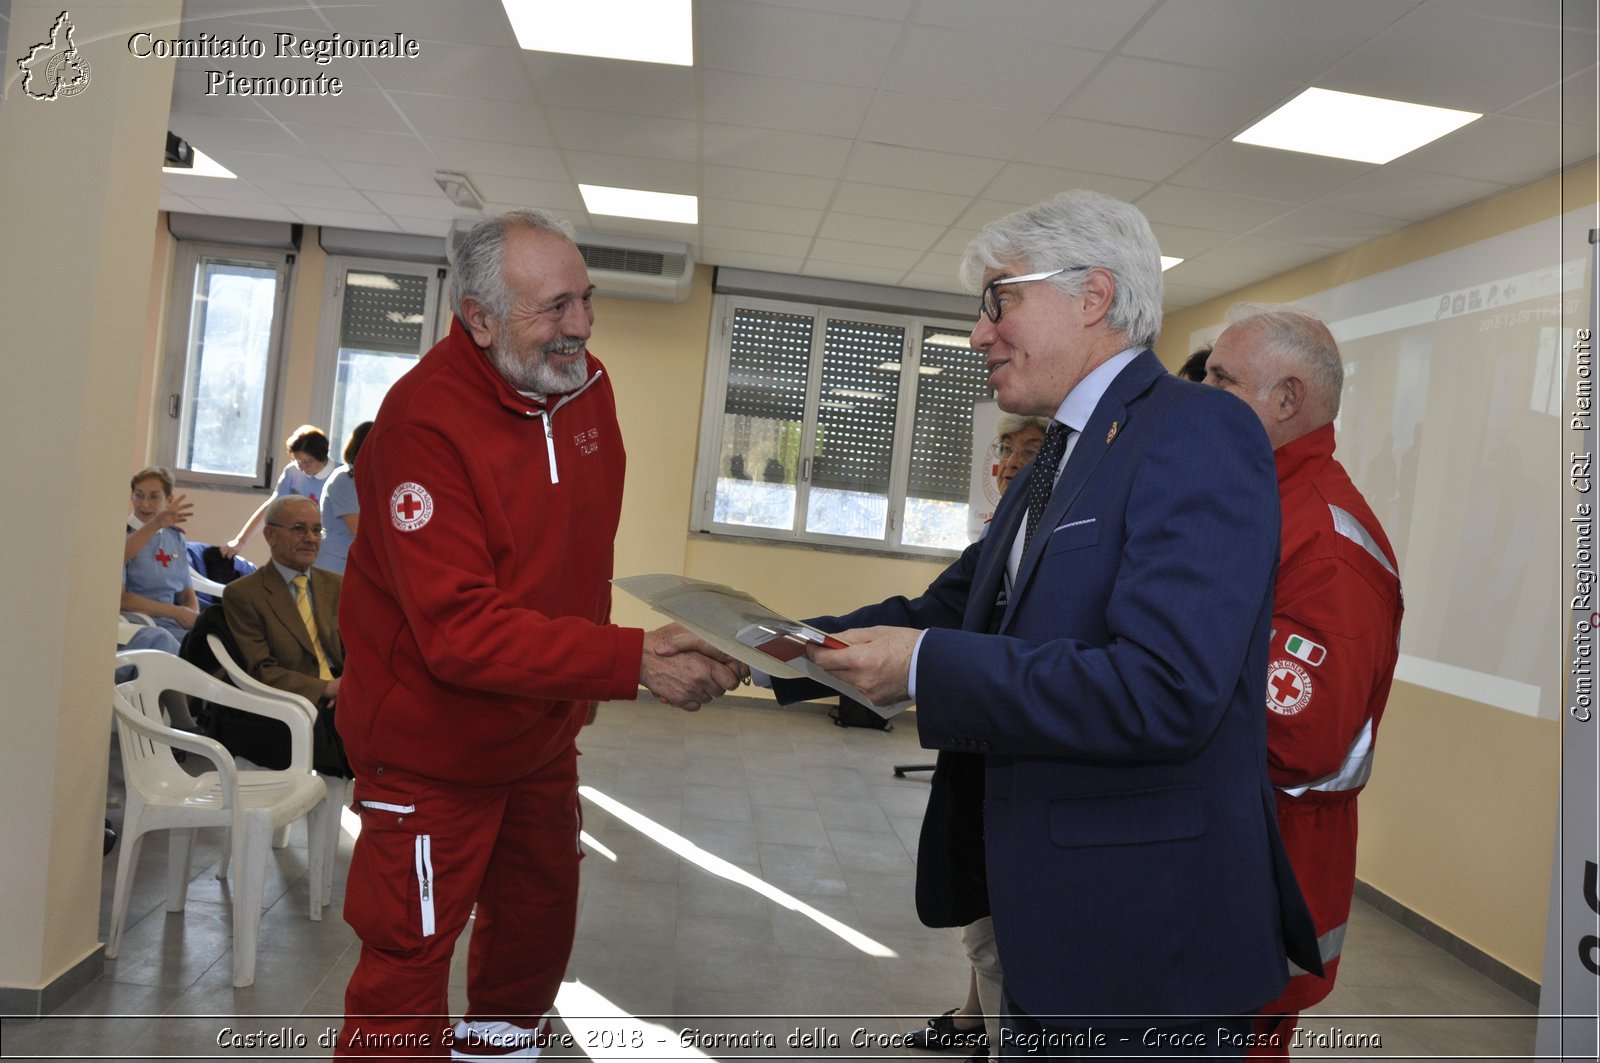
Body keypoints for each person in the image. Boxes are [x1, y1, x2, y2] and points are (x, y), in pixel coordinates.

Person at [770, 190, 1320, 1058]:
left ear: (1093, 296)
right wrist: (764, 645)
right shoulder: (1060, 450)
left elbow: (1165, 690)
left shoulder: (1197, 431)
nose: (982, 331)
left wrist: (924, 668)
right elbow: (951, 610)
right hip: (1044, 919)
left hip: (1142, 943)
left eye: (1001, 299)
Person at [334, 208, 739, 1060]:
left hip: (542, 738)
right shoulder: (421, 425)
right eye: (555, 307)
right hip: (430, 754)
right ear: (479, 317)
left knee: (531, 940)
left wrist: (593, 682)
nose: (582, 326)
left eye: (585, 300)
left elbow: (578, 561)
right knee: (407, 968)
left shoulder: (587, 387)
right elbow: (460, 633)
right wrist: (633, 661)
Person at [1201, 306, 1404, 1058]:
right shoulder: (1254, 499)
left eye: (1222, 379)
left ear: (1287, 400)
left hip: (1258, 889)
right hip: (1221, 873)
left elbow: (1297, 737)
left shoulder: (1324, 542)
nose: (1203, 392)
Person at [906, 411, 1050, 1063]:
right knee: (985, 931)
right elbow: (919, 616)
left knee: (1004, 944)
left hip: (1031, 777)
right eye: (1006, 449)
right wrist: (782, 653)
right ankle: (978, 1026)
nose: (1014, 460)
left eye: (1032, 448)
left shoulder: (1071, 545)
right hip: (979, 771)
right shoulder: (998, 537)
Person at [220, 494, 348, 774]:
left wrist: (351, 684)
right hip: (288, 704)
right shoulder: (244, 594)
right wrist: (325, 688)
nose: (311, 538)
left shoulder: (336, 585)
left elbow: (359, 648)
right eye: (299, 528)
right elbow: (260, 669)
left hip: (345, 694)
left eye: (317, 530)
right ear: (270, 534)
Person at [222, 425, 334, 558]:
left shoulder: (340, 476)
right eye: (298, 461)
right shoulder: (292, 472)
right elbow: (273, 507)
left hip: (330, 549)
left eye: (308, 462)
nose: (302, 467)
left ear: (322, 457)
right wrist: (240, 541)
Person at [121, 466, 198, 650]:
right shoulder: (122, 537)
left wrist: (193, 617)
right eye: (139, 495)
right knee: (168, 643)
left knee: (215, 642)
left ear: (168, 500)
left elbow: (187, 594)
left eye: (154, 497)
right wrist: (175, 612)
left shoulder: (175, 536)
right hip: (138, 622)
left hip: (172, 622)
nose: (145, 504)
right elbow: (121, 599)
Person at [315, 421, 371, 577]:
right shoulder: (344, 479)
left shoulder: (366, 478)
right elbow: (358, 528)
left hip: (352, 561)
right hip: (335, 563)